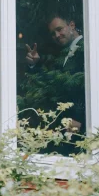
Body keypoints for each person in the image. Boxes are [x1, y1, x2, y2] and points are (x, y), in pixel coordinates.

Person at [20, 15, 85, 153]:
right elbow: (53, 83)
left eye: (59, 29)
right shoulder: (63, 55)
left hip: (81, 126)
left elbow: (91, 87)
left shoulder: (88, 48)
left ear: (71, 25)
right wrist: (35, 65)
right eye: (53, 33)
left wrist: (82, 120)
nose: (56, 35)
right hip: (64, 127)